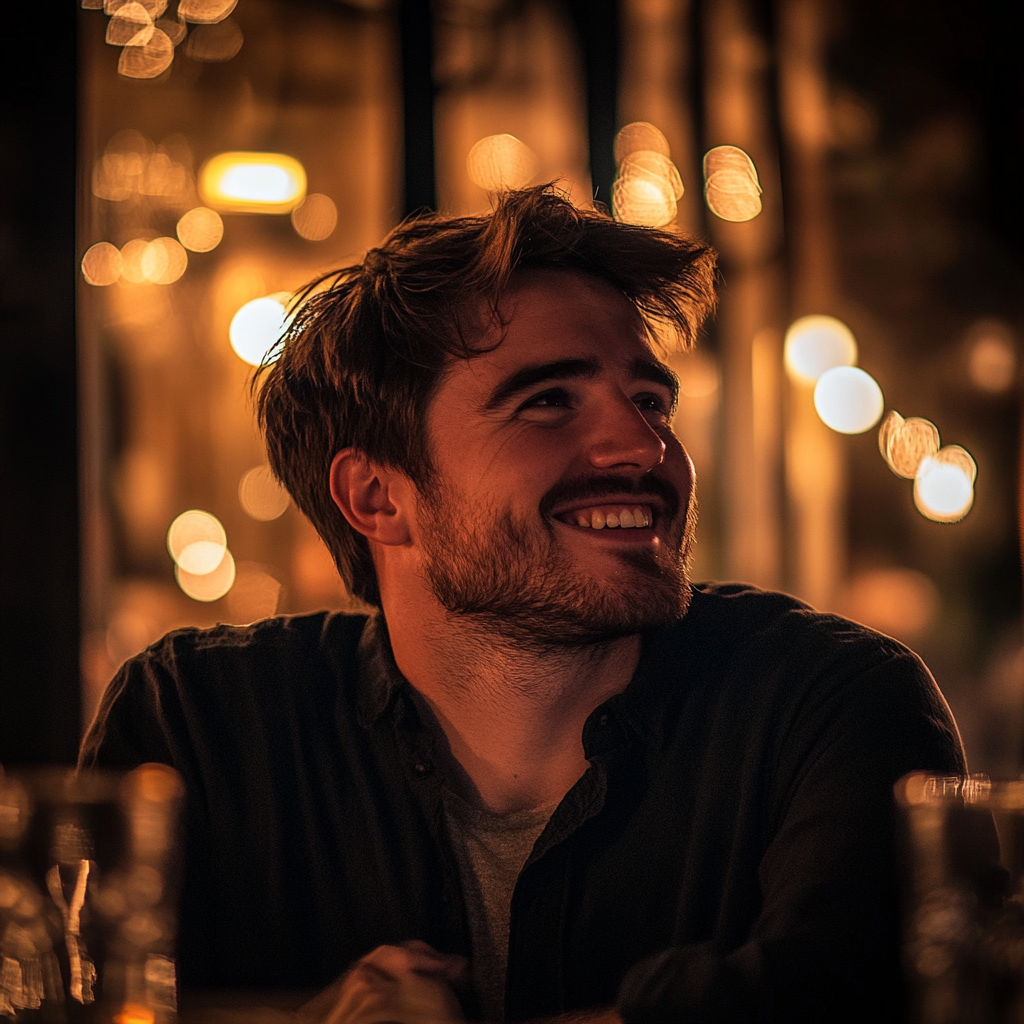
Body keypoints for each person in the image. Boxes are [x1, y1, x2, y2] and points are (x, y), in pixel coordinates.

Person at [81, 186, 965, 1023]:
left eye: (650, 399)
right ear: (378, 498)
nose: (644, 445)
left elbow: (864, 1001)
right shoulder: (198, 726)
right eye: (548, 401)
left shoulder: (831, 704)